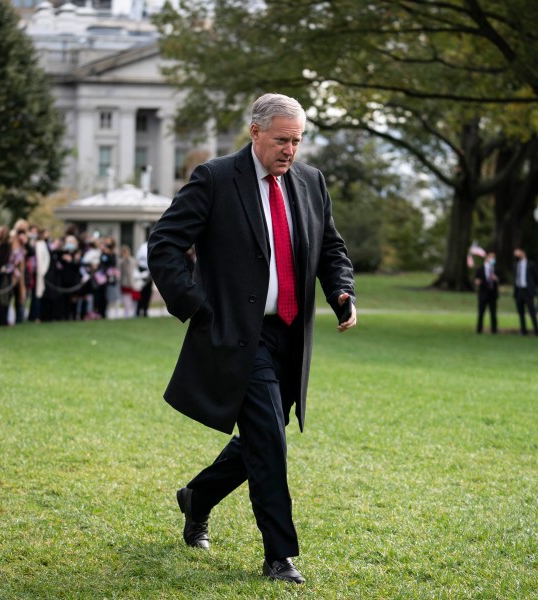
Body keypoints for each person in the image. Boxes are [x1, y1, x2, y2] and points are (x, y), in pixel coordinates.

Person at [148, 93, 357, 585]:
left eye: (298, 141)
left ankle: (197, 497)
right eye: (282, 140)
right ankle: (278, 555)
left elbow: (330, 247)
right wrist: (196, 307)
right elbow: (165, 244)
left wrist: (341, 292)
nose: (290, 150)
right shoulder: (216, 178)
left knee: (265, 437)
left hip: (292, 334)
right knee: (269, 441)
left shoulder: (310, 181)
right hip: (240, 336)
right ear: (255, 132)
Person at [512, 248, 538, 336]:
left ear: (522, 253)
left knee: (532, 311)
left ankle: (536, 330)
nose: (516, 256)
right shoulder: (516, 265)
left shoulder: (530, 264)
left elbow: (537, 278)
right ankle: (523, 330)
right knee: (521, 312)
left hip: (528, 291)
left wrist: (535, 288)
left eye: (517, 254)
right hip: (519, 291)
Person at [474, 250, 499, 334]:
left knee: (493, 313)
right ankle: (479, 329)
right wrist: (477, 282)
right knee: (481, 312)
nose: (493, 259)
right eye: (491, 257)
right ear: (487, 258)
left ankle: (494, 330)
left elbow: (501, 280)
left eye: (494, 257)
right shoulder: (480, 269)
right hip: (483, 293)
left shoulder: (495, 269)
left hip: (492, 294)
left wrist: (496, 278)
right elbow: (476, 279)